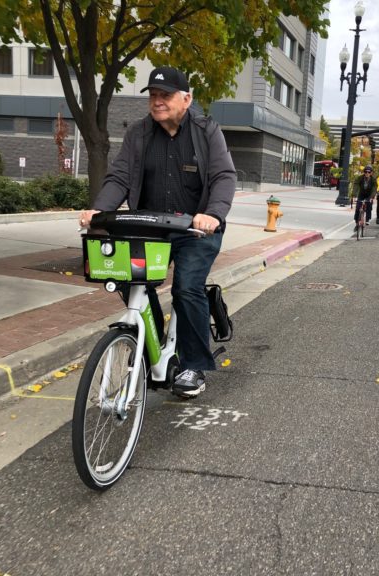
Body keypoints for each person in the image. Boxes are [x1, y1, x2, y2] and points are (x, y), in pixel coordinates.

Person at [79, 66, 236, 399]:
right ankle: (151, 337)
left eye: (165, 95)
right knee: (128, 278)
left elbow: (224, 176)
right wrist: (98, 210)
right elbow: (119, 177)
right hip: (149, 228)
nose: (157, 101)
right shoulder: (139, 133)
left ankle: (193, 364)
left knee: (187, 285)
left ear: (186, 98)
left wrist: (212, 214)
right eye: (152, 95)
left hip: (195, 229)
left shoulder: (207, 131)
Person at [353, 165, 376, 230]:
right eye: (365, 172)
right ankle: (357, 224)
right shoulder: (360, 178)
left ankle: (367, 219)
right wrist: (354, 195)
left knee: (369, 205)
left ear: (371, 173)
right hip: (361, 194)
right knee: (358, 208)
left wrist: (372, 197)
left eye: (369, 172)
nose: (367, 173)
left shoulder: (373, 180)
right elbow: (356, 185)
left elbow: (374, 188)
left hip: (369, 195)